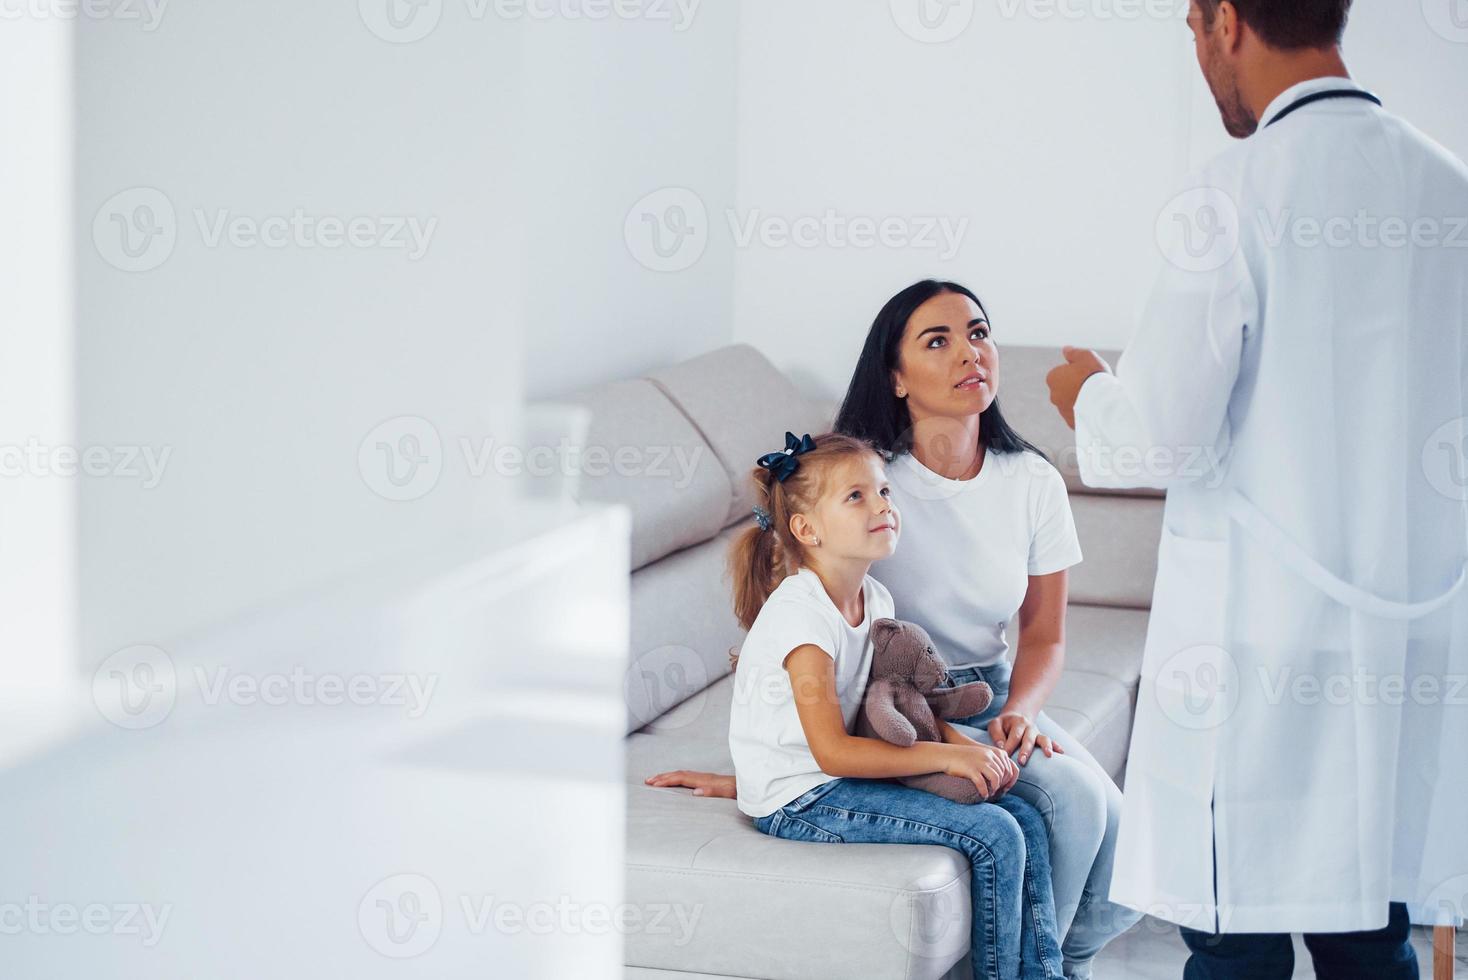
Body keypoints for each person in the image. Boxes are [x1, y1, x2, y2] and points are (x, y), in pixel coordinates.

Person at [1044, 1, 1468, 976]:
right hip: (1409, 632)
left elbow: (1155, 437)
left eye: (1191, 27)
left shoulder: (1229, 195)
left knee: (1236, 928)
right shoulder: (1447, 189)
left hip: (1259, 638)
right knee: (1368, 918)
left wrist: (1088, 396)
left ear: (1222, 20)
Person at [651, 280, 1141, 980]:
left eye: (978, 332)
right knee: (1073, 803)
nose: (969, 352)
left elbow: (1045, 635)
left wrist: (1024, 716)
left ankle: (1062, 959)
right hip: (889, 712)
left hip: (986, 698)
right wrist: (761, 769)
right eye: (936, 341)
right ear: (896, 375)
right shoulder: (865, 481)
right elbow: (805, 627)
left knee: (1123, 844)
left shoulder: (1031, 479)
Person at [725, 430, 1064, 980]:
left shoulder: (874, 598)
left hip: (825, 777)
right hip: (800, 799)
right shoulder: (802, 620)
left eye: (883, 491)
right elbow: (832, 752)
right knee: (995, 833)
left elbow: (897, 704)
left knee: (1022, 814)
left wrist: (963, 746)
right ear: (806, 529)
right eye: (855, 496)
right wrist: (944, 759)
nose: (882, 504)